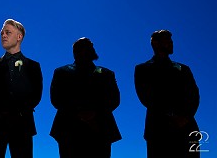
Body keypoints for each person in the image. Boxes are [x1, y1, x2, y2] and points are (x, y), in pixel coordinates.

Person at [0, 19, 43, 158]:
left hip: (23, 125)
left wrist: (17, 113)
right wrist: (1, 112)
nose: (3, 35)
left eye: (8, 32)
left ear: (19, 37)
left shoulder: (33, 66)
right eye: (2, 33)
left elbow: (36, 94)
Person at [50, 37, 122, 158]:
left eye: (90, 47)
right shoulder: (61, 72)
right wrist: (79, 113)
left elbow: (114, 99)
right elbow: (56, 98)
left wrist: (94, 113)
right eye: (84, 47)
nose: (89, 49)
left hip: (100, 128)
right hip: (69, 128)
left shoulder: (106, 74)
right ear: (75, 51)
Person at [135, 30, 201, 158]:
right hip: (158, 129)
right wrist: (171, 115)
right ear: (155, 43)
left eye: (171, 41)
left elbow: (194, 95)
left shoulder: (184, 69)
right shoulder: (143, 69)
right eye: (167, 40)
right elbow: (146, 97)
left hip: (187, 128)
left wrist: (185, 117)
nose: (171, 43)